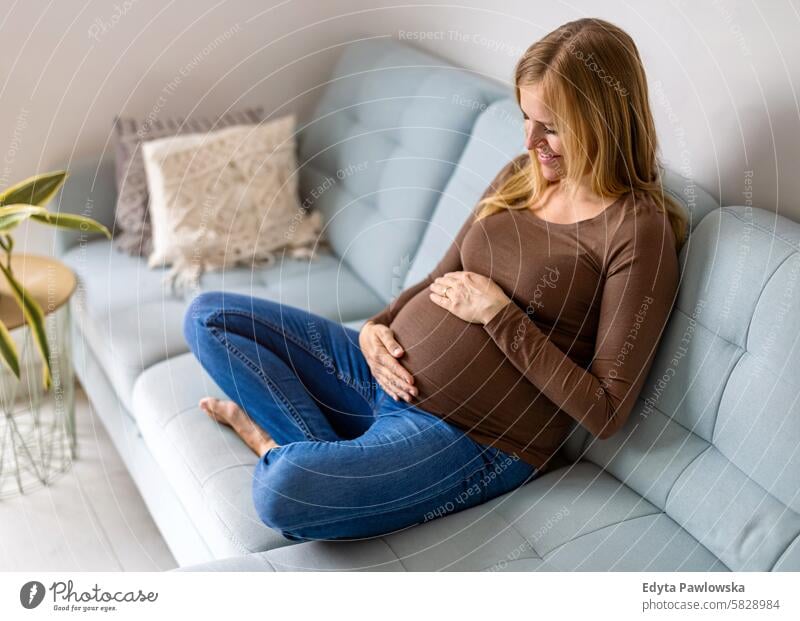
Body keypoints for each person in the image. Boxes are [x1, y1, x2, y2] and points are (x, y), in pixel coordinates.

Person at [183, 17, 686, 543]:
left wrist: (500, 315)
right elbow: (437, 278)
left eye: (552, 126)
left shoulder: (636, 231)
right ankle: (336, 459)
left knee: (282, 490)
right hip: (380, 373)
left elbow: (605, 411)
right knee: (209, 317)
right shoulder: (522, 174)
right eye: (525, 117)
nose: (531, 139)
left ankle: (272, 446)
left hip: (470, 436)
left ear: (604, 121)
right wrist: (377, 330)